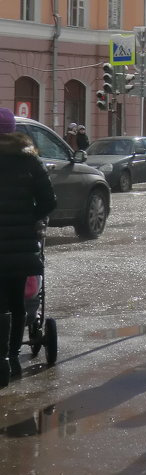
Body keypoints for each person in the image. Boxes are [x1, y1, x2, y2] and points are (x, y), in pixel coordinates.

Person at [0, 107, 57, 386]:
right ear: (13, 130)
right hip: (21, 245)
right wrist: (28, 219)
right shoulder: (29, 162)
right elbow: (49, 202)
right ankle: (12, 357)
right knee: (17, 301)